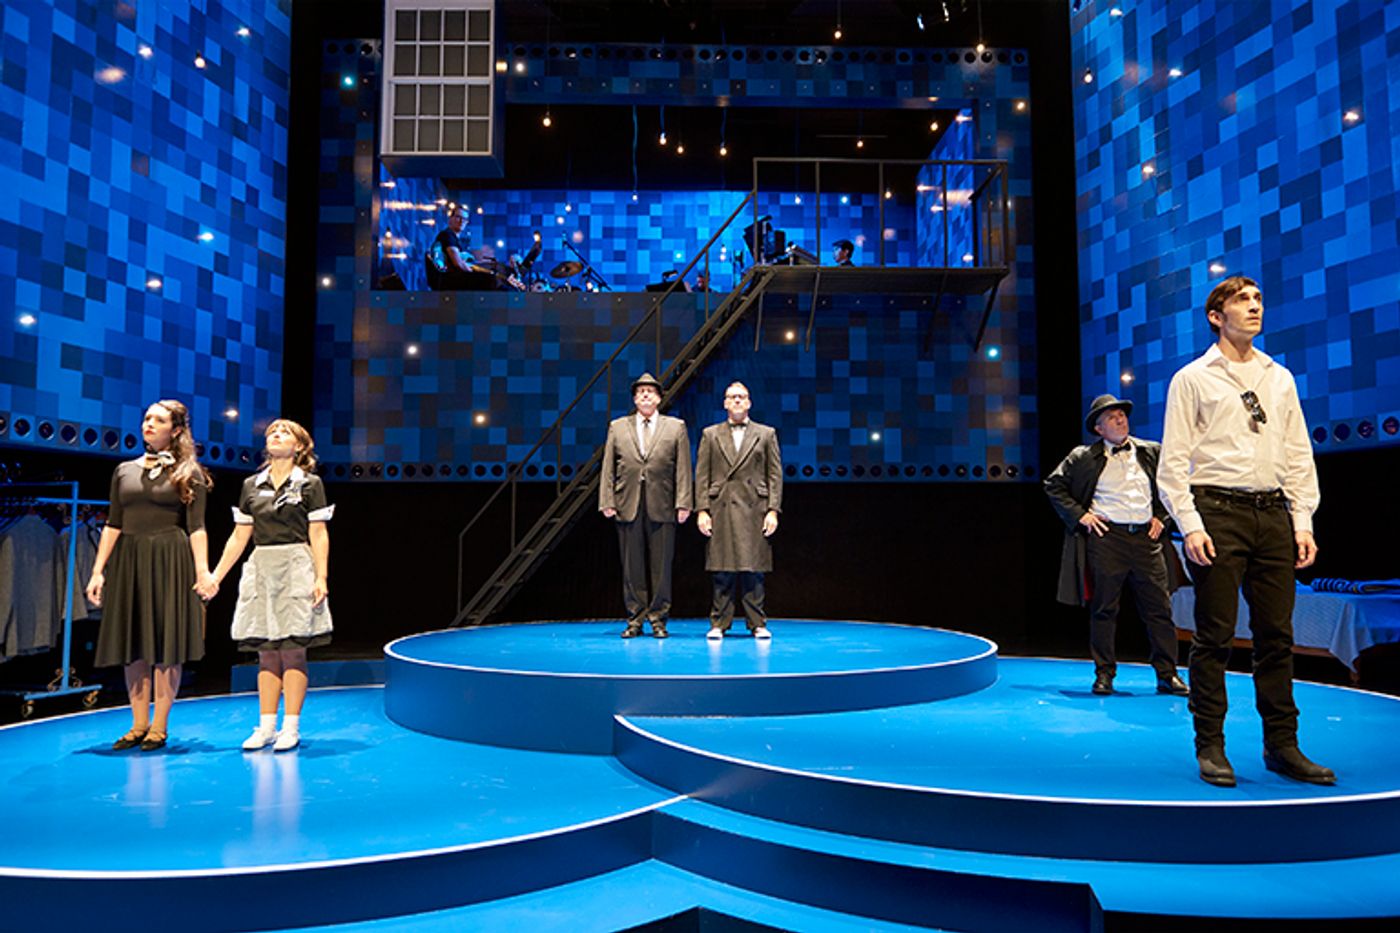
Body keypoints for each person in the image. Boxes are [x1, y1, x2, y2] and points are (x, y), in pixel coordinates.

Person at [1158, 275, 1333, 788]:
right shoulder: (1192, 378)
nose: (1255, 307)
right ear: (1217, 315)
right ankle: (1210, 745)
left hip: (1273, 513)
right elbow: (1173, 465)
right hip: (1216, 511)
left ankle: (1282, 745)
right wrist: (1190, 526)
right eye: (1242, 300)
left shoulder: (1279, 377)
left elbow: (1299, 454)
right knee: (1213, 635)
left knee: (1277, 636)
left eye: (1259, 299)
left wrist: (1302, 521)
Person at [86, 400, 215, 752]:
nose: (148, 424)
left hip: (170, 558)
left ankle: (160, 725)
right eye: (145, 418)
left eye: (158, 420)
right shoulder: (124, 471)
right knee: (134, 644)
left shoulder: (190, 473)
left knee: (165, 644)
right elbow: (113, 523)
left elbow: (197, 528)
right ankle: (138, 723)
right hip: (129, 558)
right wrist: (98, 570)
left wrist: (203, 571)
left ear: (175, 430)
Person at [1044, 394, 1188, 697]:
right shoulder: (1083, 457)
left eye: (1121, 414)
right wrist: (1081, 515)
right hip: (1108, 539)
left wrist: (1163, 517)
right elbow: (1053, 485)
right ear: (1098, 428)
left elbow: (1174, 485)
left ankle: (1167, 674)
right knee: (1104, 609)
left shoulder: (1151, 451)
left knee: (1159, 610)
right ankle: (1104, 674)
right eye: (1111, 417)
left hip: (1146, 539)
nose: (1120, 419)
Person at [209, 419, 334, 751]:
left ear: (299, 445)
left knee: (293, 651)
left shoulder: (309, 483)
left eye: (284, 433)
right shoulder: (252, 485)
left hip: (296, 565)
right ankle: (265, 726)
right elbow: (239, 537)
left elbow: (318, 533)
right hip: (262, 566)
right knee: (266, 654)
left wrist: (321, 576)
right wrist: (215, 577)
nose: (276, 436)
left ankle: (290, 728)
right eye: (271, 433)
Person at [599, 373, 692, 638]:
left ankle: (658, 618)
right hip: (627, 503)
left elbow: (684, 468)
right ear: (634, 398)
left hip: (662, 504)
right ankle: (635, 618)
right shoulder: (618, 427)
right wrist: (607, 500)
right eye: (640, 392)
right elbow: (608, 467)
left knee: (661, 566)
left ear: (659, 398)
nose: (645, 395)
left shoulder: (675, 427)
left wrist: (684, 502)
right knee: (632, 566)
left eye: (650, 391)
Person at [695, 382, 782, 639]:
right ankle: (719, 623)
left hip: (754, 508)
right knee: (722, 569)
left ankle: (757, 623)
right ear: (724, 403)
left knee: (753, 569)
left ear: (749, 402)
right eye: (732, 397)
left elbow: (774, 475)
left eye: (741, 397)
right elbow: (702, 475)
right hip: (721, 506)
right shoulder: (710, 434)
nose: (736, 401)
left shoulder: (766, 434)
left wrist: (773, 510)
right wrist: (702, 510)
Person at [426, 207, 474, 289]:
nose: (462, 221)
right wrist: (474, 274)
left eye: (465, 219)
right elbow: (458, 263)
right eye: (458, 217)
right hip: (449, 284)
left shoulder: (456, 239)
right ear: (450, 219)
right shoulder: (447, 235)